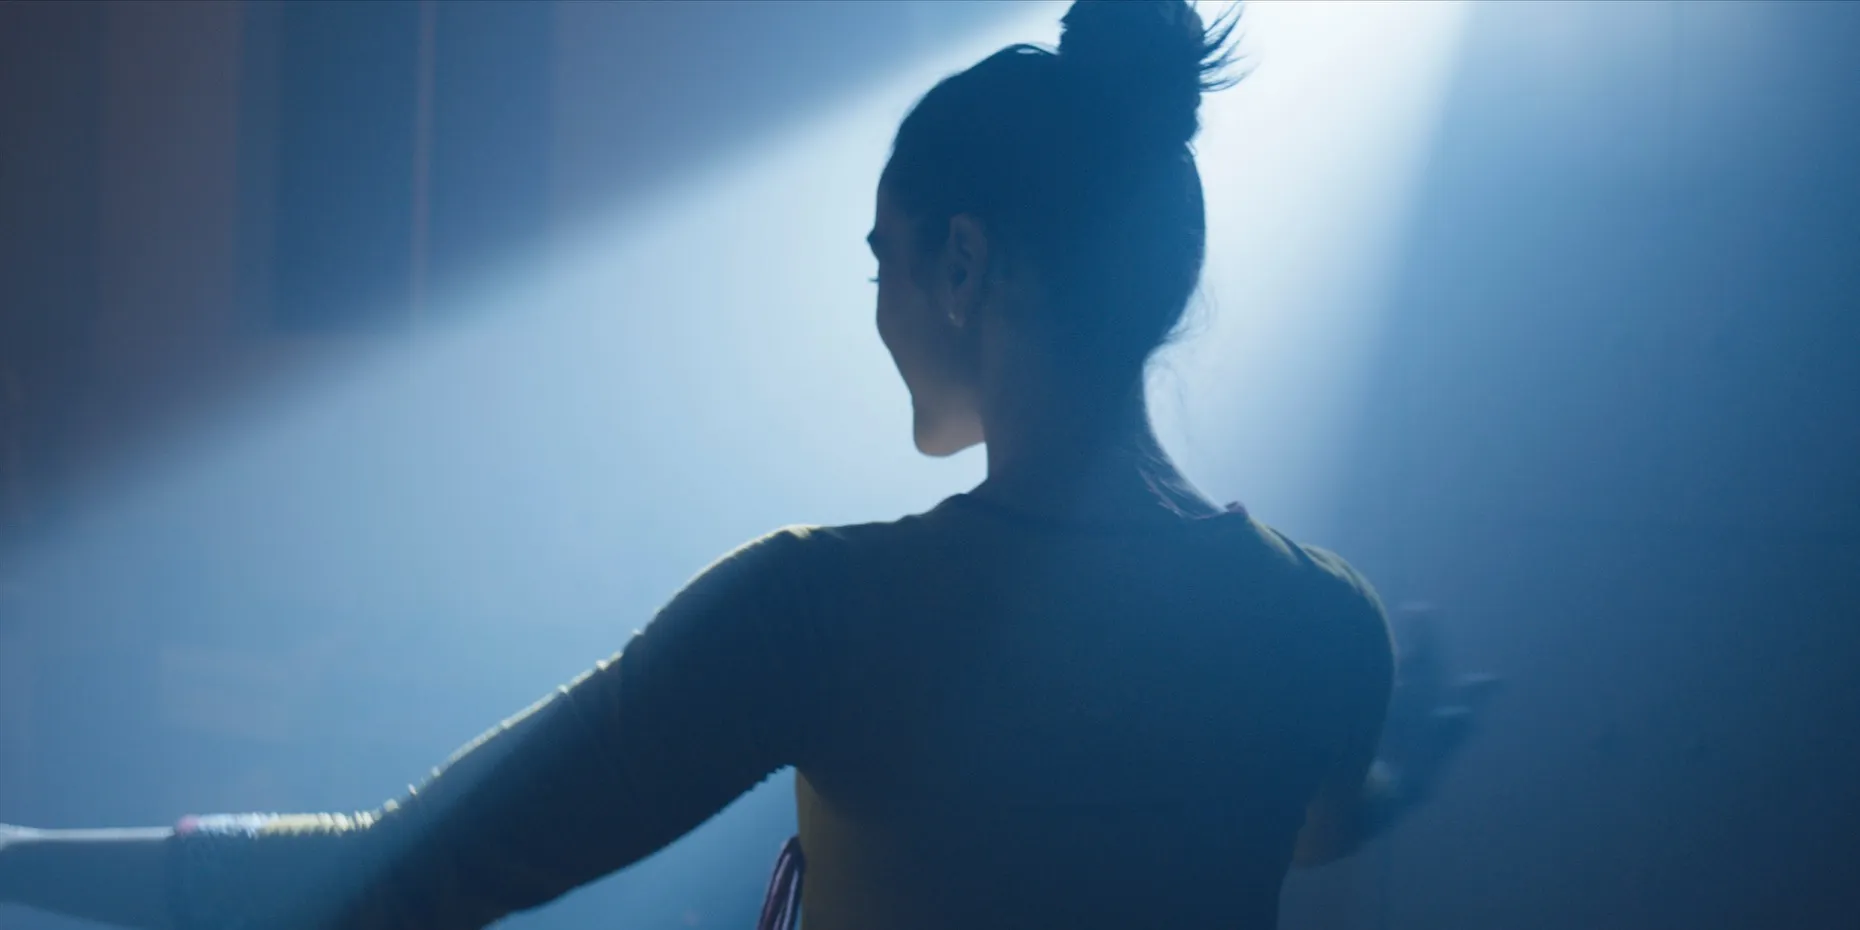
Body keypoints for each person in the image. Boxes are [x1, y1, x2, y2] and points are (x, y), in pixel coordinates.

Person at [0, 2, 1494, 928]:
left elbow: (380, 878)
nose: (878, 309)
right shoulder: (1322, 629)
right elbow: (1291, 819)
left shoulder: (824, 617)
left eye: (884, 263)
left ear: (966, 262)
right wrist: (1384, 780)